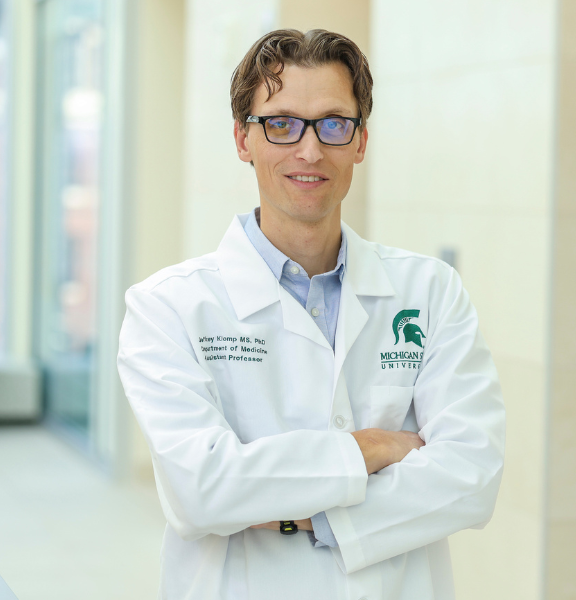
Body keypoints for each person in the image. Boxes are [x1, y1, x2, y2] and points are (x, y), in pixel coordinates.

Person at [117, 28, 505, 600]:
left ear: (361, 140)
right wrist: (372, 449)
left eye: (333, 123)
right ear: (242, 140)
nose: (309, 149)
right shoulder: (168, 306)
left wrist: (308, 520)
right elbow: (203, 488)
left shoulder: (430, 291)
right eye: (281, 123)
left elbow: (473, 475)